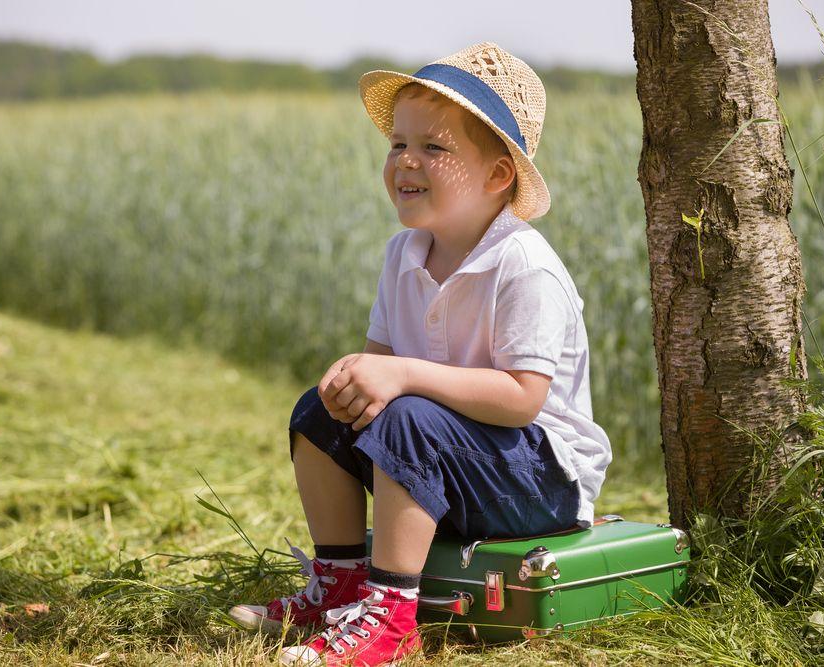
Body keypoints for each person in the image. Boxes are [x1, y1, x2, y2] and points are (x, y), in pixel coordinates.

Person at [230, 41, 612, 666]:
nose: (406, 160)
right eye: (397, 145)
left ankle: (391, 617)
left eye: (433, 147)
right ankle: (341, 586)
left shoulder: (522, 264)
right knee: (319, 412)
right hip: (451, 459)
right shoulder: (402, 256)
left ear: (497, 175)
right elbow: (380, 366)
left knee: (408, 418)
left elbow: (522, 400)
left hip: (538, 481)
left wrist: (401, 375)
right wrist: (356, 380)